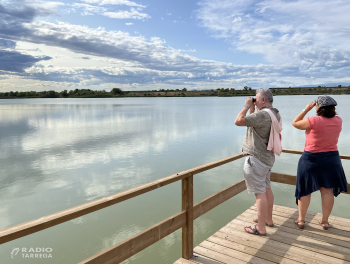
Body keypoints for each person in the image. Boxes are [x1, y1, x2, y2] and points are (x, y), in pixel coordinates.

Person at [292, 95, 348, 230]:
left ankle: (301, 220)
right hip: (331, 160)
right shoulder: (338, 120)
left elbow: (295, 122)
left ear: (318, 107)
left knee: (305, 190)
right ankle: (324, 221)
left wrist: (306, 109)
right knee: (327, 190)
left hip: (311, 159)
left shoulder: (312, 120)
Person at [235, 88, 281, 236]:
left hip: (256, 159)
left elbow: (238, 121)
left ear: (262, 100)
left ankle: (260, 228)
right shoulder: (275, 113)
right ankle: (268, 219)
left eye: (255, 98)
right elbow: (254, 123)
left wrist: (247, 106)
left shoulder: (262, 115)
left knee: (259, 194)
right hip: (267, 159)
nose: (253, 100)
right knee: (266, 189)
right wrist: (253, 108)